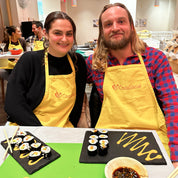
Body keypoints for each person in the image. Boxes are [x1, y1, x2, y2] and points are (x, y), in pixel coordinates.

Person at [86, 3, 178, 167]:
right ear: (101, 32)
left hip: (152, 139)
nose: (115, 28)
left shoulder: (155, 59)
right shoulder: (95, 63)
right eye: (108, 24)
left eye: (121, 21)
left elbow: (173, 105)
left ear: (132, 26)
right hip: (108, 138)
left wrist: (176, 153)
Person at [4, 11, 87, 128]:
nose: (64, 39)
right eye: (57, 33)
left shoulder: (78, 61)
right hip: (29, 129)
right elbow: (13, 104)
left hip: (63, 130)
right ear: (45, 33)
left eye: (69, 34)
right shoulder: (29, 61)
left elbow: (77, 104)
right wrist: (42, 133)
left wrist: (69, 130)